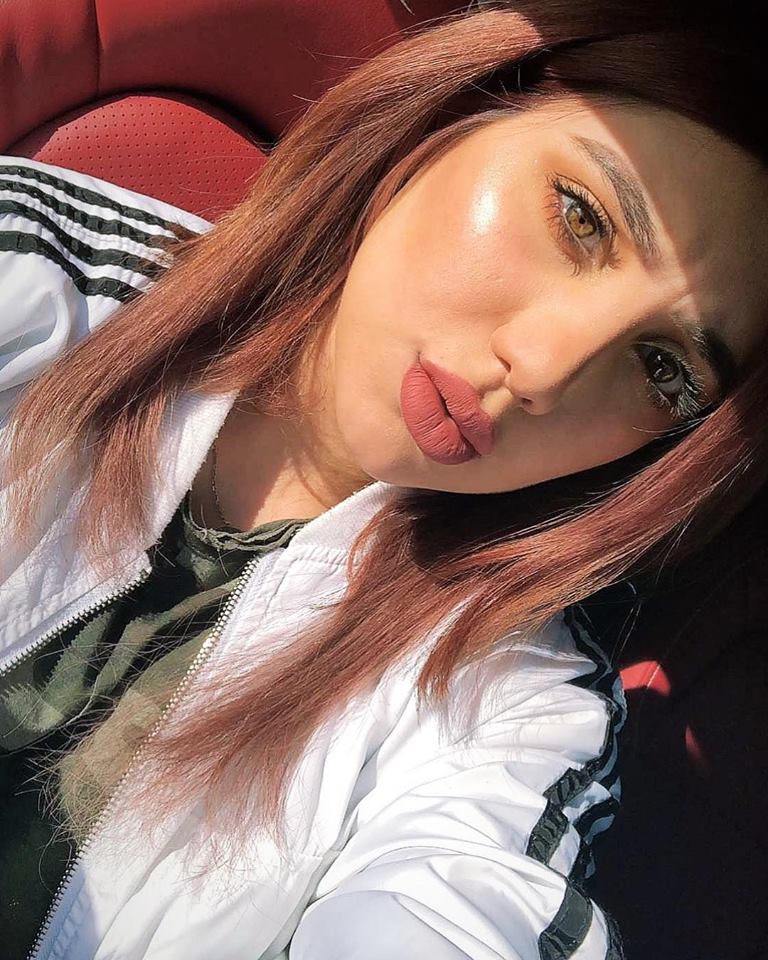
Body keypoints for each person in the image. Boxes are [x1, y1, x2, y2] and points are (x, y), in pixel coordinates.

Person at [1, 2, 767, 958]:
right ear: (455, 113)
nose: (542, 368)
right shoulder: (40, 280)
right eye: (581, 217)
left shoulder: (512, 704)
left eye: (664, 369)